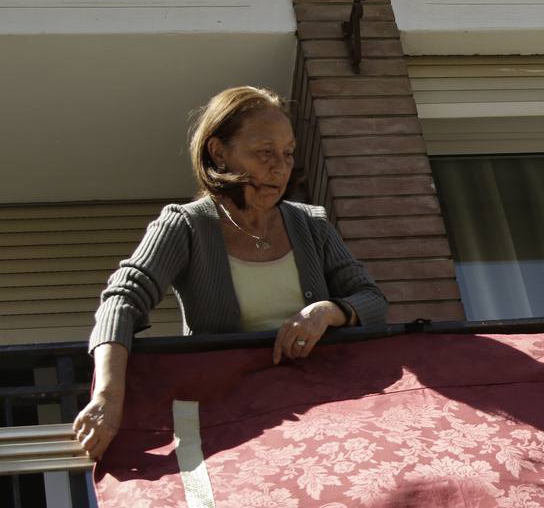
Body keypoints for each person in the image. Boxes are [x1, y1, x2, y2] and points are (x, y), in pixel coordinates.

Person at [74, 86, 388, 459]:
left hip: (328, 411)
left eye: (288, 154)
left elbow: (373, 301)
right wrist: (108, 398)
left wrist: (326, 311)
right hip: (233, 426)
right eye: (264, 152)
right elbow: (121, 301)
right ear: (218, 152)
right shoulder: (185, 226)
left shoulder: (313, 225)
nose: (280, 167)